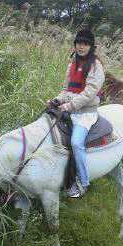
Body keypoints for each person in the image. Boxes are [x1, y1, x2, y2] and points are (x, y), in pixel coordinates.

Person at [48, 29, 105, 198]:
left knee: (76, 143)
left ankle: (84, 181)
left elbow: (89, 93)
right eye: (79, 43)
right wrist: (56, 100)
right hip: (70, 108)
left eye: (85, 43)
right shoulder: (72, 64)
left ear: (91, 46)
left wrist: (69, 105)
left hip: (85, 113)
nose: (81, 46)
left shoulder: (96, 66)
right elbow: (66, 89)